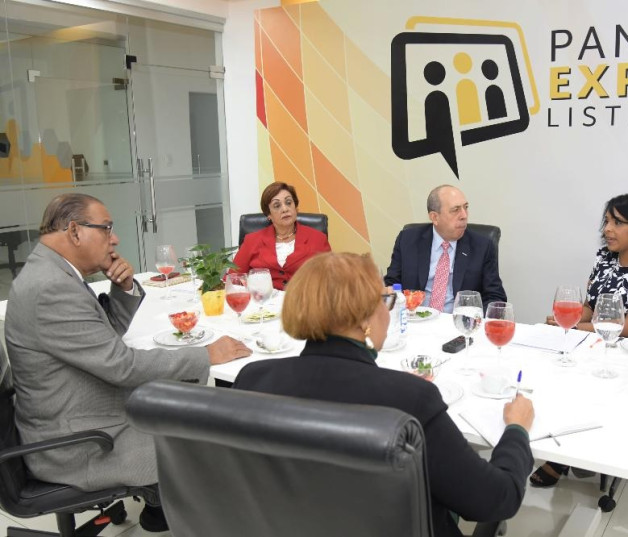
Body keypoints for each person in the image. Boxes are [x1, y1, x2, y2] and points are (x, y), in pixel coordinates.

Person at [234, 252, 534, 537]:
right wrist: (517, 430)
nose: (388, 313)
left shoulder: (253, 380)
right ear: (364, 318)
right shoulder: (411, 400)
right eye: (386, 300)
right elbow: (495, 499)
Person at [4, 193, 251, 532]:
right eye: (106, 228)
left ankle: (159, 508)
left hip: (78, 418)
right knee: (207, 441)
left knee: (186, 411)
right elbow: (121, 365)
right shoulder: (50, 287)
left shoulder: (52, 271)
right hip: (81, 445)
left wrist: (123, 289)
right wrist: (206, 355)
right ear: (75, 231)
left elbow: (99, 340)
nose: (115, 238)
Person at [531, 193, 628, 488]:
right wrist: (569, 319)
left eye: (617, 222)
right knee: (559, 371)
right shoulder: (604, 259)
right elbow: (590, 304)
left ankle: (567, 457)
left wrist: (582, 327)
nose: (607, 229)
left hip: (621, 349)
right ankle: (568, 449)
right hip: (596, 342)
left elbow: (625, 326)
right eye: (607, 221)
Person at [384, 184, 506, 312]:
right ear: (435, 217)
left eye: (466, 207)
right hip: (415, 320)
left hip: (459, 324)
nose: (464, 215)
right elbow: (392, 283)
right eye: (455, 210)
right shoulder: (408, 240)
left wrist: (472, 317)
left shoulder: (482, 246)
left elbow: (495, 297)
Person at [232, 181, 331, 290]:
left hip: (305, 303)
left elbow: (331, 279)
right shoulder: (252, 241)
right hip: (263, 303)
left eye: (288, 202)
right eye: (277, 205)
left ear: (296, 207)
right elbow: (234, 280)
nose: (285, 209)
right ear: (269, 214)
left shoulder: (318, 239)